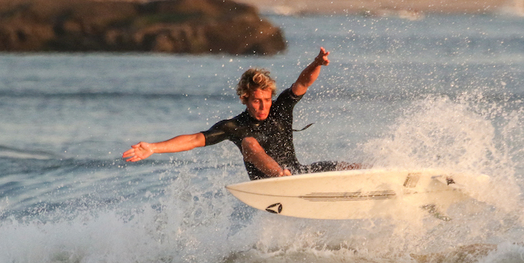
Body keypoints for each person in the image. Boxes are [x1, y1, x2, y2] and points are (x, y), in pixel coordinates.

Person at [123, 47, 353, 179]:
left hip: (297, 174)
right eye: (256, 101)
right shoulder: (234, 126)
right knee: (249, 143)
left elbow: (303, 82)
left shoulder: (281, 107)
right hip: (269, 184)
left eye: (266, 100)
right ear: (245, 99)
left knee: (349, 168)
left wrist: (317, 63)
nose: (263, 106)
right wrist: (153, 147)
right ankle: (281, 177)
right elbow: (194, 139)